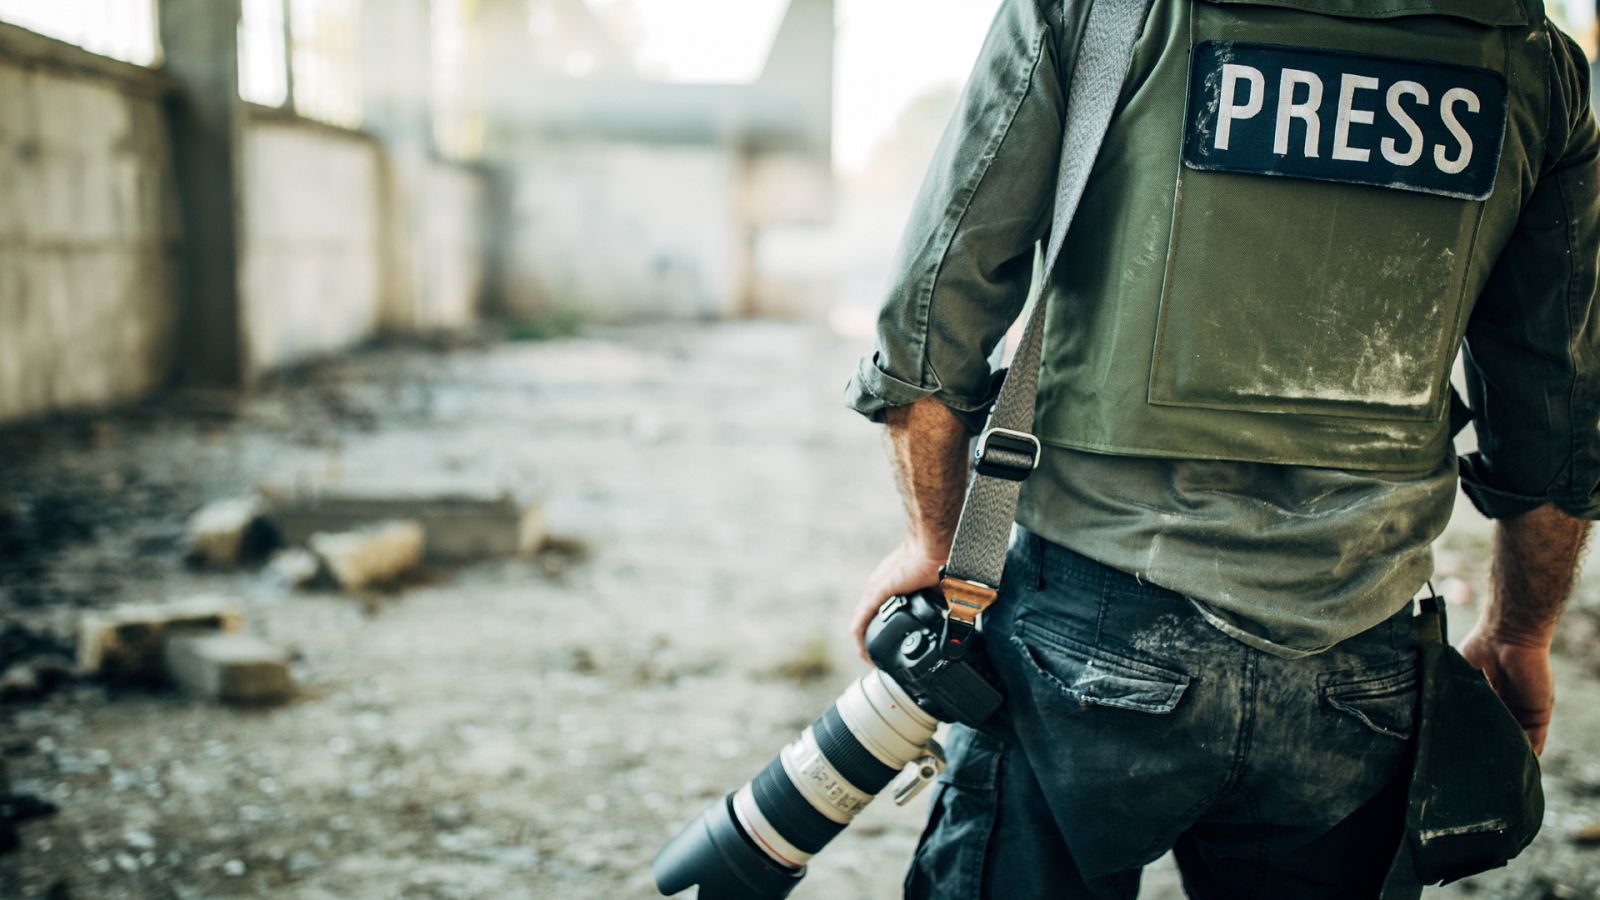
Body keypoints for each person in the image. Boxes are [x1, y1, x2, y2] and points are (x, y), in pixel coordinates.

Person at [843, 0, 1600, 897]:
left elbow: (933, 314)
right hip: (1358, 653)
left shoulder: (1101, 12)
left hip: (1083, 627)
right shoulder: (1534, 63)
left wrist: (934, 540)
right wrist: (1519, 631)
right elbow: (1559, 409)